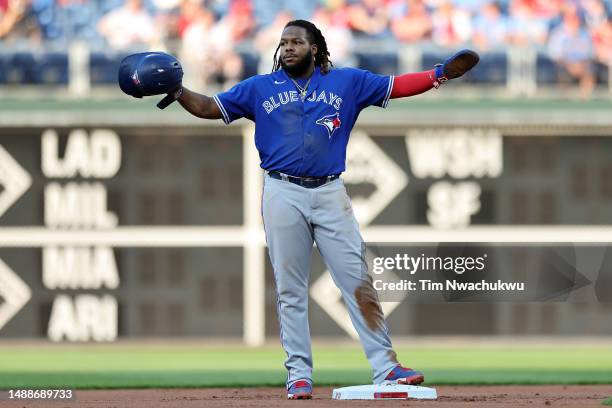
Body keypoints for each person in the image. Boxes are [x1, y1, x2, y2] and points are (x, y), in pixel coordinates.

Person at [119, 19, 478, 400]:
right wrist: (177, 91)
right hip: (281, 190)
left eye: (296, 42)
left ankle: (387, 367)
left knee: (357, 282)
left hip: (330, 192)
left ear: (316, 48)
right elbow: (211, 107)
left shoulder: (347, 82)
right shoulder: (260, 87)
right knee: (290, 288)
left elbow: (398, 85)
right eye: (284, 42)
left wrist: (438, 75)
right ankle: (299, 374)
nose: (288, 47)